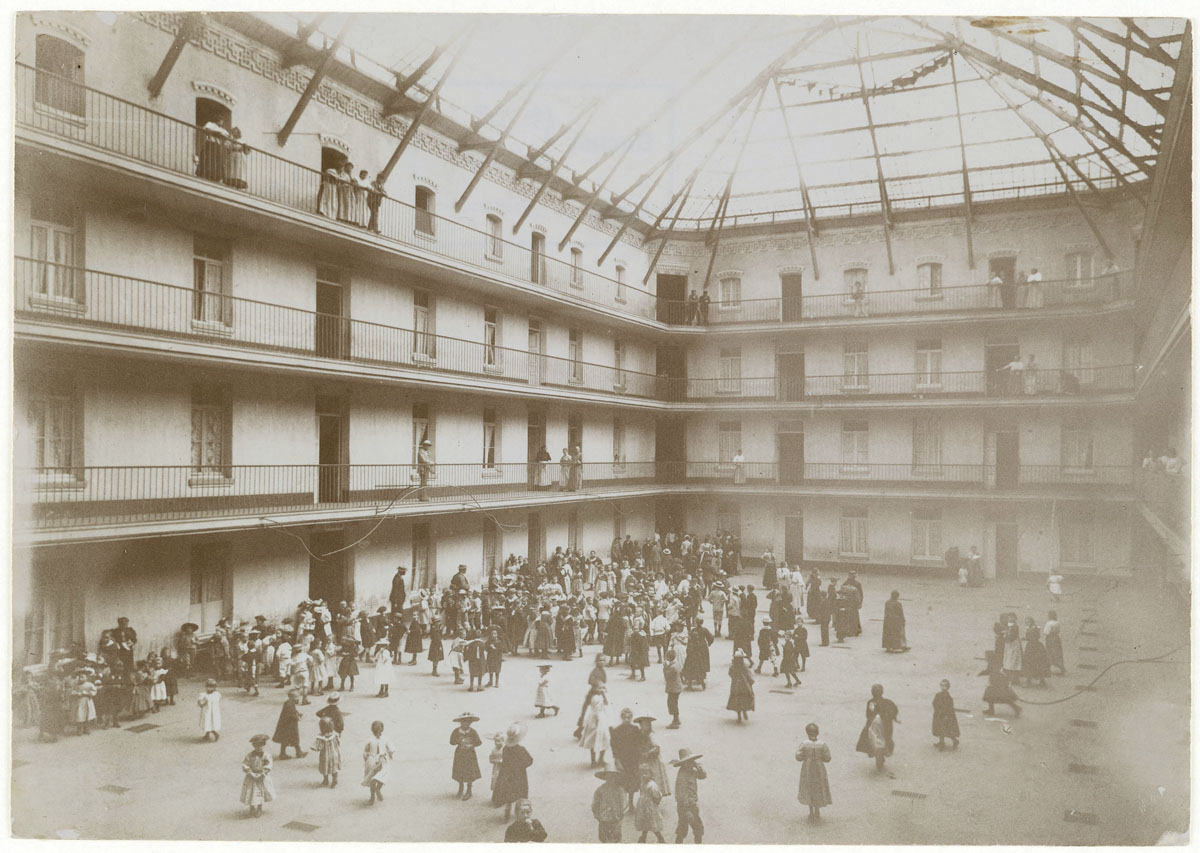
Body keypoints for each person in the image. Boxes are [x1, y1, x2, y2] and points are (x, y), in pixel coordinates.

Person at [493, 723, 534, 820]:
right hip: (519, 775)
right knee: (520, 791)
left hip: (507, 775)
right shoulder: (521, 749)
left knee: (509, 791)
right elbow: (529, 760)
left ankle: (508, 806)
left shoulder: (506, 748)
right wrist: (522, 766)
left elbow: (505, 760)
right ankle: (520, 811)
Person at [855, 683, 899, 772]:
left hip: (875, 726)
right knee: (885, 740)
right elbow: (894, 711)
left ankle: (876, 754)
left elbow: (869, 714)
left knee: (871, 739)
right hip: (885, 727)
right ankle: (882, 755)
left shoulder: (871, 702)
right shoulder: (888, 702)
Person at [796, 722, 832, 820]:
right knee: (818, 787)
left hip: (807, 768)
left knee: (809, 787)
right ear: (818, 732)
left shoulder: (804, 744)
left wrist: (805, 757)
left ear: (807, 733)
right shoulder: (822, 744)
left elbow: (798, 756)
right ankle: (817, 810)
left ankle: (811, 811)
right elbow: (828, 758)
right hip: (819, 768)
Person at [671, 748, 706, 844]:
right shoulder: (682, 776)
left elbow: (703, 776)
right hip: (686, 807)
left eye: (692, 760)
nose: (691, 762)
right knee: (697, 828)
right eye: (689, 761)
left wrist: (698, 767)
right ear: (684, 763)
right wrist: (687, 811)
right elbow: (681, 796)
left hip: (691, 805)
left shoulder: (691, 770)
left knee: (682, 829)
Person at [241, 734, 275, 818]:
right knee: (252, 791)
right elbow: (245, 764)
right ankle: (252, 807)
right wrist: (250, 772)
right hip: (251, 776)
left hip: (261, 776)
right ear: (253, 746)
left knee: (260, 792)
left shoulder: (266, 755)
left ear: (264, 745)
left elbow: (268, 765)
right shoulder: (250, 755)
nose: (259, 747)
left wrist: (263, 773)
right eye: (256, 746)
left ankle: (259, 807)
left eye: (261, 745)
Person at [450, 712, 482, 800]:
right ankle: (461, 787)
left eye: (468, 722)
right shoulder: (456, 731)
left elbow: (479, 742)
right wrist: (458, 740)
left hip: (469, 754)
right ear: (460, 722)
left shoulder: (472, 732)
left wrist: (471, 744)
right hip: (460, 753)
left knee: (469, 770)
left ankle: (469, 789)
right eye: (464, 721)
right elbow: (451, 742)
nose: (466, 723)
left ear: (470, 723)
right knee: (459, 769)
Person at [362, 720, 395, 805]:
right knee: (382, 776)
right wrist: (391, 755)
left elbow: (365, 752)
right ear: (382, 729)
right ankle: (378, 789)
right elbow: (391, 749)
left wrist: (366, 758)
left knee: (373, 779)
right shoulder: (385, 739)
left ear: (372, 730)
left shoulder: (369, 740)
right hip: (382, 760)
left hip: (372, 760)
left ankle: (372, 796)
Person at [980, 652, 1021, 717]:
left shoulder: (992, 664)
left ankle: (1016, 708)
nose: (986, 658)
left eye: (986, 657)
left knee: (1002, 697)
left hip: (997, 683)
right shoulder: (995, 663)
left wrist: (982, 673)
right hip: (996, 683)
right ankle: (991, 710)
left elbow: (989, 671)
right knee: (992, 696)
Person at [592, 769, 626, 843]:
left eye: (613, 776)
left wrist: (622, 813)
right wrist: (597, 814)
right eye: (609, 776)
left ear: (616, 778)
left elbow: (623, 803)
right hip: (604, 818)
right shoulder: (600, 790)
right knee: (603, 837)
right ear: (605, 777)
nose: (611, 779)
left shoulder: (619, 790)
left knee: (616, 837)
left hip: (615, 818)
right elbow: (595, 803)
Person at [635, 765, 666, 843]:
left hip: (650, 807)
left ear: (651, 774)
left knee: (652, 822)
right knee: (645, 822)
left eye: (646, 773)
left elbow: (657, 795)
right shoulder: (642, 783)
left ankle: (660, 838)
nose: (643, 775)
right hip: (643, 807)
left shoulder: (652, 785)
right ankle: (643, 837)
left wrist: (654, 803)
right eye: (642, 774)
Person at [580, 691, 612, 768]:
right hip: (596, 721)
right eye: (600, 687)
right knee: (593, 740)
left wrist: (604, 695)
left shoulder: (602, 696)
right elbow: (596, 709)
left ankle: (601, 758)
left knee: (605, 739)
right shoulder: (595, 697)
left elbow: (606, 704)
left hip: (602, 720)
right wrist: (597, 720)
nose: (602, 689)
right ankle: (593, 760)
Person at [272, 688, 305, 759]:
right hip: (289, 725)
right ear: (291, 697)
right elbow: (290, 714)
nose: (298, 699)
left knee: (286, 739)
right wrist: (297, 718)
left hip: (287, 725)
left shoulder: (289, 702)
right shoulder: (289, 704)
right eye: (297, 697)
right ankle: (298, 752)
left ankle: (284, 753)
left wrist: (298, 713)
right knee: (294, 738)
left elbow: (293, 711)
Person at [727, 649, 755, 722]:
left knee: (737, 700)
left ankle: (739, 716)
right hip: (744, 685)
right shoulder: (744, 666)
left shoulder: (733, 666)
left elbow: (730, 673)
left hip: (735, 685)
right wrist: (751, 681)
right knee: (744, 699)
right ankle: (744, 711)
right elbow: (749, 674)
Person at [1021, 618, 1051, 687]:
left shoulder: (1033, 629)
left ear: (1031, 622)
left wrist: (1026, 636)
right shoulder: (1033, 628)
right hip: (1033, 646)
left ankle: (1031, 681)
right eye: (1026, 622)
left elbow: (1033, 637)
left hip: (1033, 647)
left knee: (1032, 662)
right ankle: (1039, 680)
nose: (1027, 623)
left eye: (1028, 622)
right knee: (1036, 663)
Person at [313, 716, 342, 788]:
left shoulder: (321, 737)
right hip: (334, 754)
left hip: (325, 755)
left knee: (324, 766)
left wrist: (314, 748)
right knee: (334, 767)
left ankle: (325, 780)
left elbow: (318, 747)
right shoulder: (335, 735)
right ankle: (334, 779)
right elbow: (338, 743)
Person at [932, 679, 960, 749]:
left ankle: (955, 740)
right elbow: (934, 703)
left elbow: (949, 707)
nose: (943, 687)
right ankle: (941, 742)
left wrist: (946, 715)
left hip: (946, 716)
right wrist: (937, 711)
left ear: (948, 687)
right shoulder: (938, 695)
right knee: (940, 728)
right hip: (939, 714)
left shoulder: (948, 696)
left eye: (945, 686)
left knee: (947, 730)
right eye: (941, 685)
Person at [197, 678, 222, 742]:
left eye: (211, 687)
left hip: (213, 712)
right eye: (207, 687)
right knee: (207, 723)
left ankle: (216, 734)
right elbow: (200, 703)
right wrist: (201, 702)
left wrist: (205, 700)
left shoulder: (216, 695)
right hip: (207, 712)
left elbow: (216, 700)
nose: (209, 688)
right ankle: (207, 734)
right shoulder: (203, 695)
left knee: (210, 724)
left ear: (214, 688)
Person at [1043, 611, 1066, 675]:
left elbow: (1046, 632)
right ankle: (1061, 667)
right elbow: (1058, 631)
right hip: (1056, 638)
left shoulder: (1049, 623)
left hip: (1050, 639)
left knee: (1049, 652)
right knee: (1057, 653)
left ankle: (1047, 668)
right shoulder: (1057, 622)